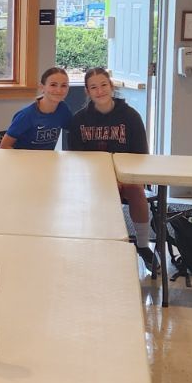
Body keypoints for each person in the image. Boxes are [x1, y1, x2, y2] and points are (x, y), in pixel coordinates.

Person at [66, 65, 160, 275]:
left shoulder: (130, 116)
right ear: (87, 92)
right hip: (93, 179)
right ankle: (105, 245)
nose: (100, 91)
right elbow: (75, 159)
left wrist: (121, 177)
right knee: (105, 195)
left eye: (103, 85)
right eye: (93, 87)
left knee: (136, 190)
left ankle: (143, 246)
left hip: (126, 176)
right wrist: (105, 179)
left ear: (111, 86)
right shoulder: (79, 120)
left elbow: (140, 155)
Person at [0, 66, 73, 151]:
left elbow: (74, 129)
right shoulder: (27, 115)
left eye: (64, 85)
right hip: (23, 161)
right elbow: (4, 146)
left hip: (47, 159)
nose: (59, 90)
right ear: (42, 87)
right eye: (53, 85)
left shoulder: (63, 109)